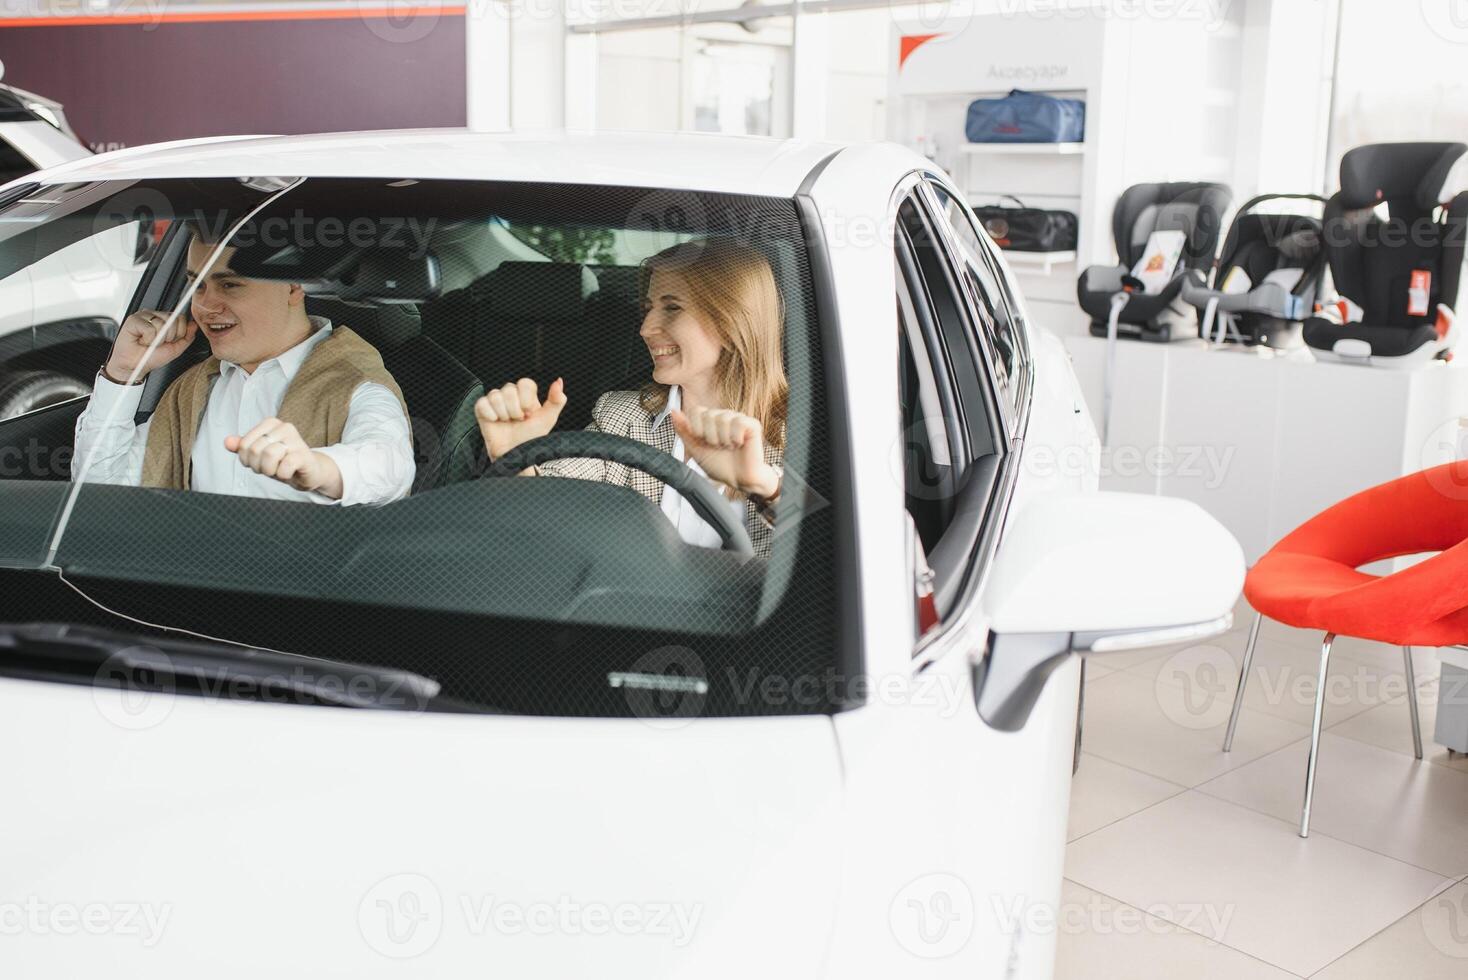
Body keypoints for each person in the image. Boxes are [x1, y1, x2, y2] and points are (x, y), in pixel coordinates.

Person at [475, 238, 786, 555]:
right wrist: (517, 459)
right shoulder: (622, 415)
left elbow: (827, 549)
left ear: (732, 322)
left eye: (672, 307)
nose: (645, 328)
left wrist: (767, 487)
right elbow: (555, 507)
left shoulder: (808, 433)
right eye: (649, 308)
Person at [72, 226, 415, 505]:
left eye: (230, 284)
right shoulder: (192, 392)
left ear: (293, 286)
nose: (204, 306)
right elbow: (99, 492)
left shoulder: (354, 382)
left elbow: (389, 465)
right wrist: (122, 374)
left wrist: (320, 468)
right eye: (197, 285)